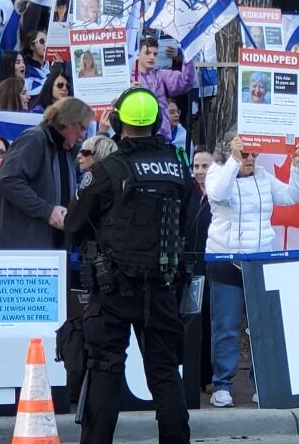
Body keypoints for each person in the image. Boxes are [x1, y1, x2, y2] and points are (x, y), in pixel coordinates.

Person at [64, 88, 199, 444]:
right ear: (156, 123)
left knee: (105, 371)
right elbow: (192, 218)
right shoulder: (177, 166)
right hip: (162, 287)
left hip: (113, 290)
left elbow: (74, 223)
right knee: (166, 375)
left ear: (119, 121)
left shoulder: (108, 170)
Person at [206, 132, 299, 407]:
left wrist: (297, 166)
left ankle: (261, 381)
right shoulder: (217, 172)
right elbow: (218, 194)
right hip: (225, 262)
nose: (251, 160)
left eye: (254, 155)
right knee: (226, 327)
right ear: (229, 152)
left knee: (261, 327)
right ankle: (222, 385)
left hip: (260, 261)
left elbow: (291, 196)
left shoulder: (262, 176)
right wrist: (233, 163)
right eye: (245, 154)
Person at [0, 97, 93, 249]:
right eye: (81, 127)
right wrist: (47, 211)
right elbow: (9, 181)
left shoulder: (67, 150)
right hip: (18, 246)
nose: (82, 135)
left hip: (48, 245)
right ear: (66, 121)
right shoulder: (34, 138)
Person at [134, 37, 196, 142]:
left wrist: (187, 54)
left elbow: (185, 82)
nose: (152, 57)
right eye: (147, 53)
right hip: (135, 138)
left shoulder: (160, 75)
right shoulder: (126, 77)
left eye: (155, 54)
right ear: (138, 54)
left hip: (161, 139)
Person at [190, 146, 214, 392]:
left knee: (209, 321)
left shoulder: (220, 195)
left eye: (205, 166)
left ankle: (207, 376)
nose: (199, 171)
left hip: (212, 266)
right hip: (190, 265)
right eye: (196, 166)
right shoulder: (188, 194)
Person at [21, 29, 50, 96]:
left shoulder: (53, 65)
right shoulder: (26, 70)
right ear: (32, 46)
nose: (46, 45)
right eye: (42, 41)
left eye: (48, 41)